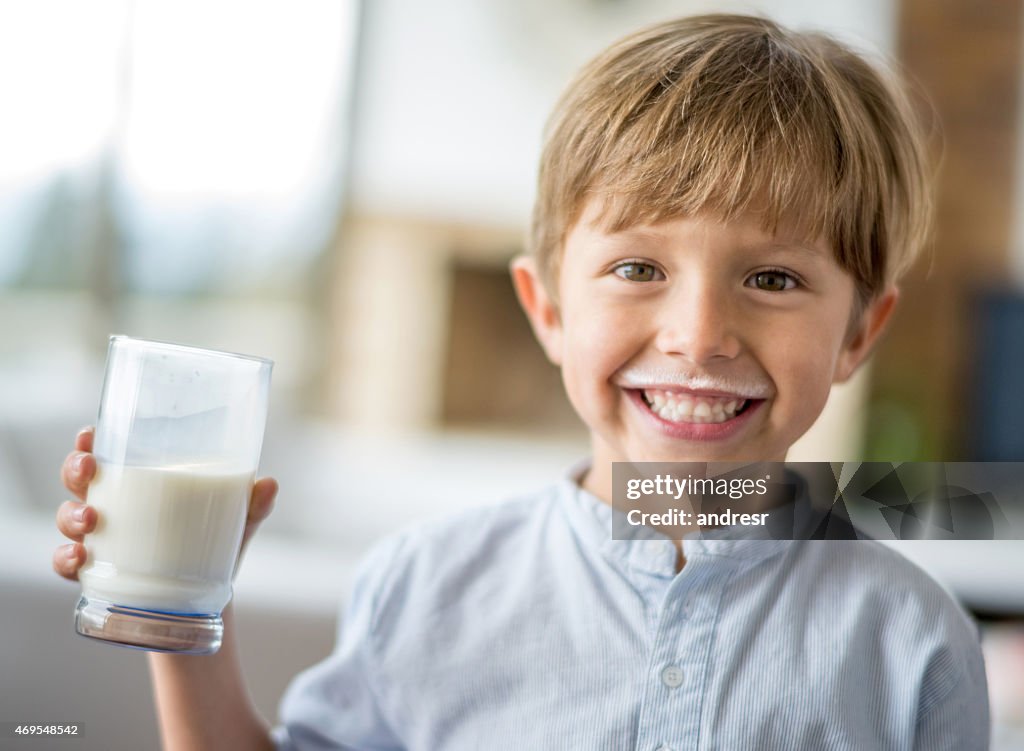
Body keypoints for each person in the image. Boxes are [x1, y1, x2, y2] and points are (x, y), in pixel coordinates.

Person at [53, 13, 989, 750]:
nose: (699, 336)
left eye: (774, 279)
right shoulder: (424, 587)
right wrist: (180, 600)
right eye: (637, 268)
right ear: (546, 308)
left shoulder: (910, 641)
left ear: (861, 330)